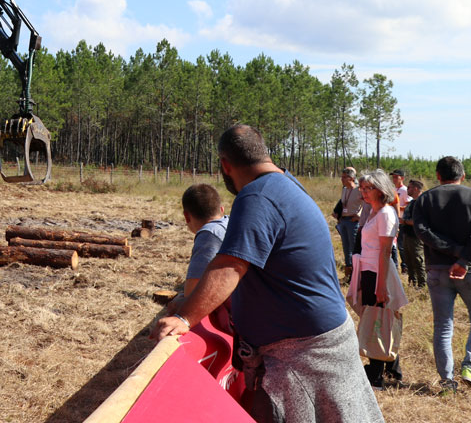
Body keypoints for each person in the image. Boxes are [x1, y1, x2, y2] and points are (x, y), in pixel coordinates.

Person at [152, 125, 383, 423]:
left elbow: (230, 266)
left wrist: (184, 318)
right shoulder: (286, 183)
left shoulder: (257, 196)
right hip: (317, 344)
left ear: (225, 165)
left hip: (305, 354)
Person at [412, 156, 471, 393]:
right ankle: (470, 366)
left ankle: (447, 382)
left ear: (438, 176)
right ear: (462, 175)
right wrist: (463, 258)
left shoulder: (425, 199)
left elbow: (422, 232)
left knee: (443, 325)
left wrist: (453, 252)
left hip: (437, 270)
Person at [355, 170, 406, 389]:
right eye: (362, 188)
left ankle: (375, 375)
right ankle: (392, 369)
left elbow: (385, 252)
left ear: (381, 189)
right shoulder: (374, 212)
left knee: (378, 320)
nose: (364, 192)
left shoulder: (385, 213)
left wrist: (381, 285)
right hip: (369, 271)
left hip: (378, 273)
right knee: (378, 318)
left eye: (369, 188)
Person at [169, 183, 229, 312]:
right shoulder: (230, 222)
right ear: (222, 209)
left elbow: (191, 293)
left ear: (186, 216)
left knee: (177, 304)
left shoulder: (209, 234)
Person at [333, 167, 363, 282]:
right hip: (344, 220)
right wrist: (339, 215)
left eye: (344, 177)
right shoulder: (345, 189)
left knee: (354, 248)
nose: (342, 179)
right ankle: (348, 274)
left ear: (351, 178)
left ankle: (356, 276)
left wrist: (359, 216)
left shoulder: (359, 190)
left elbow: (366, 203)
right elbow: (342, 203)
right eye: (342, 176)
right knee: (346, 248)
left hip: (353, 222)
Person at [400, 179, 426, 288]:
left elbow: (419, 221)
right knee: (408, 259)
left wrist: (404, 221)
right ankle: (412, 283)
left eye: (409, 187)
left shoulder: (422, 202)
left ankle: (422, 284)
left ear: (416, 189)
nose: (407, 189)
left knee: (417, 260)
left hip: (416, 236)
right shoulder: (412, 202)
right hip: (407, 234)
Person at [390, 169, 409, 272]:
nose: (394, 179)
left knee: (401, 245)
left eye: (396, 177)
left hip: (401, 221)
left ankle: (405, 266)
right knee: (394, 244)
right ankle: (395, 265)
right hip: (393, 220)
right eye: (393, 177)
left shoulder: (404, 190)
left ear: (402, 178)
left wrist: (397, 207)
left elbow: (409, 205)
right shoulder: (393, 190)